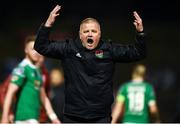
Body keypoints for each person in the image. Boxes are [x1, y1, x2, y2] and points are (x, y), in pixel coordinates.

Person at [34, 5, 146, 123]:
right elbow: (41, 47)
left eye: (94, 31)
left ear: (99, 34)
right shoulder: (69, 49)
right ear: (80, 35)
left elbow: (138, 53)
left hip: (100, 117)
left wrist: (140, 33)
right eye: (86, 31)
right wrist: (48, 25)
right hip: (73, 116)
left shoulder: (109, 50)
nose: (90, 34)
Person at [1, 35, 61, 124]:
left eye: (38, 49)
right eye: (32, 49)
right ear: (26, 50)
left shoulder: (37, 71)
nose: (36, 52)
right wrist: (5, 116)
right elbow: (9, 93)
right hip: (24, 119)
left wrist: (53, 117)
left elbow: (43, 96)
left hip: (35, 118)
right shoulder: (22, 68)